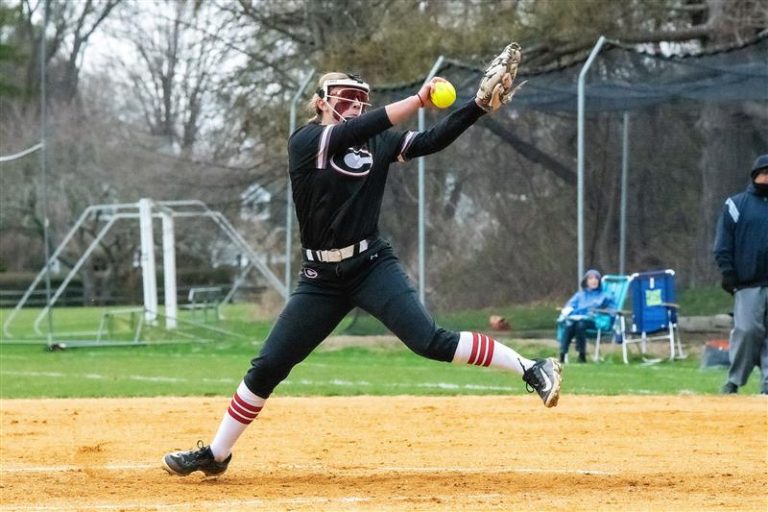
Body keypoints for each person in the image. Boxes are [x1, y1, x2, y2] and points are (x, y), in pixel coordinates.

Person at [162, 43, 563, 478]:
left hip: (370, 263)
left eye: (359, 100)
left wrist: (477, 107)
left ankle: (532, 368)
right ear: (320, 102)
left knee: (428, 340)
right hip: (320, 278)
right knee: (269, 365)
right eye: (343, 98)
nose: (353, 106)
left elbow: (431, 140)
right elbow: (363, 128)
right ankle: (216, 455)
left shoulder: (373, 141)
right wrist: (419, 100)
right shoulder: (308, 141)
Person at [713, 154, 768, 395]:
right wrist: (728, 272)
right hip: (748, 282)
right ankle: (735, 380)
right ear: (755, 175)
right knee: (746, 330)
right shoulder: (736, 205)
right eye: (765, 173)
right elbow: (723, 244)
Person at [557, 269, 615, 364]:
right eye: (591, 278)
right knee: (570, 324)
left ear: (599, 281)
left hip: (596, 322)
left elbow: (612, 310)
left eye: (596, 278)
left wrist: (599, 313)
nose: (594, 280)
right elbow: (569, 306)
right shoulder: (580, 295)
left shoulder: (605, 296)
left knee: (580, 324)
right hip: (578, 321)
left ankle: (582, 355)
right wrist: (569, 311)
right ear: (586, 281)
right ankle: (562, 354)